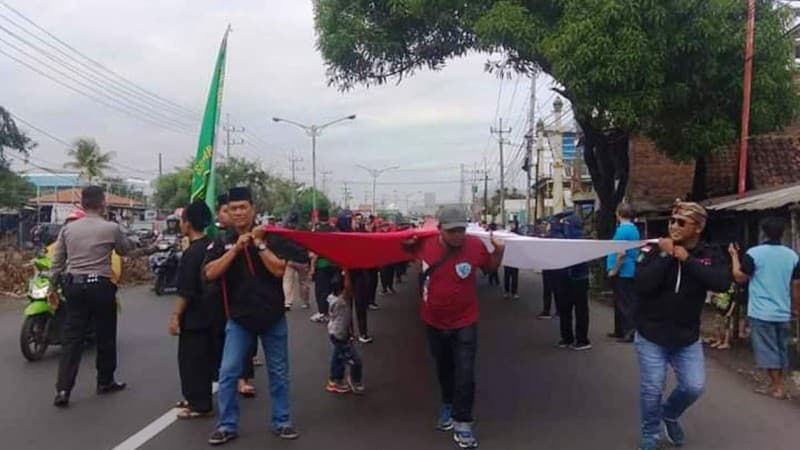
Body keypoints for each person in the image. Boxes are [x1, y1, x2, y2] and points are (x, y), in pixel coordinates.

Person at [402, 206, 505, 449]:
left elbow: (490, 268)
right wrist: (407, 243)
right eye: (452, 231)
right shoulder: (425, 243)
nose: (458, 235)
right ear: (440, 230)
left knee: (466, 372)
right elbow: (404, 249)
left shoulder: (475, 246)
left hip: (465, 321)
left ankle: (463, 422)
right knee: (444, 367)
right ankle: (448, 404)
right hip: (433, 321)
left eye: (461, 229)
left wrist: (499, 252)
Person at [634, 201, 731, 450]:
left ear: (697, 228)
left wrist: (686, 259)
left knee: (694, 387)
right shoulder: (654, 249)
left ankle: (669, 414)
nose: (673, 226)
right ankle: (650, 433)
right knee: (652, 388)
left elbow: (721, 282)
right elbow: (642, 284)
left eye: (681, 222)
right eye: (671, 221)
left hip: (686, 337)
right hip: (651, 334)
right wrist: (667, 255)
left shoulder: (709, 254)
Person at [204, 187, 298, 445]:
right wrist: (234, 250)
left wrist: (258, 243)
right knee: (228, 371)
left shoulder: (271, 237)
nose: (238, 212)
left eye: (243, 207)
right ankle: (227, 425)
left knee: (279, 372)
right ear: (228, 212)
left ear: (253, 209)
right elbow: (210, 273)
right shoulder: (222, 240)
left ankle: (282, 421)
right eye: (233, 208)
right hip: (239, 319)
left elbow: (279, 270)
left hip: (272, 316)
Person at [51, 186, 139, 408]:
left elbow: (58, 262)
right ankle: (105, 381)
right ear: (102, 204)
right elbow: (126, 251)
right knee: (106, 334)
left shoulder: (68, 229)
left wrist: (53, 286)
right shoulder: (110, 228)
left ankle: (63, 389)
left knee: (72, 338)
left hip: (74, 285)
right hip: (100, 285)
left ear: (82, 204)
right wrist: (150, 249)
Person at [729, 217, 800, 400]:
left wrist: (734, 256)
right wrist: (795, 307)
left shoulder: (755, 253)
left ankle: (777, 387)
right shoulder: (792, 256)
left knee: (768, 350)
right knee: (780, 349)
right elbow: (795, 286)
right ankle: (777, 384)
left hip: (761, 311)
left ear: (763, 233)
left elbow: (739, 277)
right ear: (782, 232)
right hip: (782, 311)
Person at [169, 200, 217, 419]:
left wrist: (176, 316)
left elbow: (186, 290)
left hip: (195, 316)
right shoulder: (212, 245)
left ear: (187, 223)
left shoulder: (192, 253)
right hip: (211, 313)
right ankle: (196, 397)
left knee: (192, 360)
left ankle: (199, 404)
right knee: (203, 359)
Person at [555, 214, 592, 350]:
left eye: (566, 223)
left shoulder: (578, 240)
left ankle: (578, 339)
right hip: (572, 277)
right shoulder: (564, 239)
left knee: (577, 309)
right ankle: (569, 338)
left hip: (576, 277)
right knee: (569, 309)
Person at [325, 270, 365, 394]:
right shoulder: (341, 301)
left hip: (336, 332)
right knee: (355, 361)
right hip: (339, 335)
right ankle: (354, 381)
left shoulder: (332, 297)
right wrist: (346, 271)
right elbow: (348, 287)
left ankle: (334, 380)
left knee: (338, 357)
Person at [606, 203, 641, 343]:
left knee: (625, 303)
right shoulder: (633, 229)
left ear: (618, 214)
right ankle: (620, 330)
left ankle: (629, 332)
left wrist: (614, 270)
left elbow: (621, 254)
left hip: (623, 271)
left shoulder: (622, 231)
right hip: (629, 269)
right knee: (621, 302)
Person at [310, 209, 337, 323]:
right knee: (331, 290)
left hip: (321, 265)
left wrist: (312, 268)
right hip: (333, 264)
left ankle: (323, 313)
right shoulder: (334, 230)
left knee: (321, 290)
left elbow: (315, 252)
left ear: (319, 218)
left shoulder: (317, 231)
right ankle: (331, 312)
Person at [281, 211, 311, 311]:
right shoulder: (304, 228)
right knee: (303, 282)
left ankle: (287, 302)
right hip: (302, 259)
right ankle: (305, 302)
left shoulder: (286, 228)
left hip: (289, 259)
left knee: (287, 281)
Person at [503, 221, 520, 300]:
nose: (511, 225)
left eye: (513, 224)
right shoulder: (506, 233)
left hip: (515, 259)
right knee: (506, 276)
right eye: (510, 224)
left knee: (514, 277)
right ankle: (506, 291)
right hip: (508, 258)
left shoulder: (518, 233)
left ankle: (514, 292)